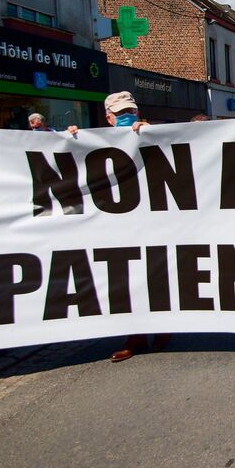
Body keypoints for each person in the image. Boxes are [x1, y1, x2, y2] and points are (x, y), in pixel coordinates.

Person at [82, 92, 164, 363]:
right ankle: (135, 336)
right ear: (108, 117)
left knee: (155, 276)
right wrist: (70, 137)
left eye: (130, 111)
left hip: (151, 219)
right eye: (120, 114)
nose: (126, 117)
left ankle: (163, 327)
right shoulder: (92, 141)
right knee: (126, 281)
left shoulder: (148, 134)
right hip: (117, 222)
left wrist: (153, 135)